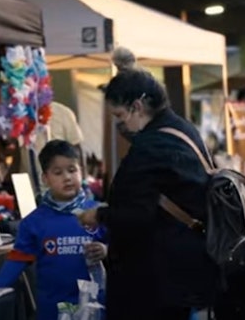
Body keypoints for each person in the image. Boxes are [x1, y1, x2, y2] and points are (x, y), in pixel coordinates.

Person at [77, 47, 218, 320]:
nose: (122, 126)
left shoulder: (151, 147)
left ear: (137, 107)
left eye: (120, 116)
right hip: (184, 264)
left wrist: (99, 214)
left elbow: (137, 214)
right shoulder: (181, 128)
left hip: (156, 276)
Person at [0, 140, 107, 320]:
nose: (67, 177)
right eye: (58, 172)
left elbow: (125, 249)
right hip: (52, 311)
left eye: (72, 170)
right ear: (45, 178)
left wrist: (106, 250)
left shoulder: (99, 213)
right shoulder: (33, 223)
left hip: (96, 308)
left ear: (81, 171)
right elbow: (14, 264)